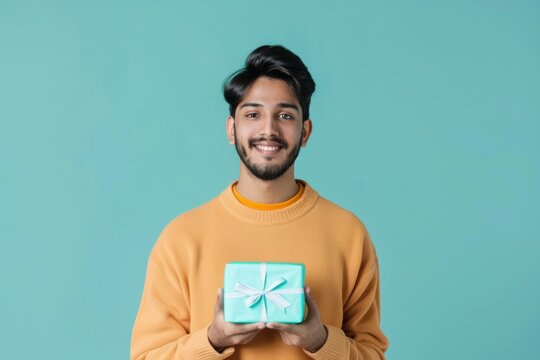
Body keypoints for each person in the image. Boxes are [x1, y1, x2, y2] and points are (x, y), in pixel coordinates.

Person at [131, 45, 389, 359]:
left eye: (285, 115)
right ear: (231, 129)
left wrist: (320, 340)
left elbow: (373, 354)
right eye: (253, 114)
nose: (268, 129)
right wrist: (214, 339)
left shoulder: (348, 233)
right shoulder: (181, 238)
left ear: (305, 132)